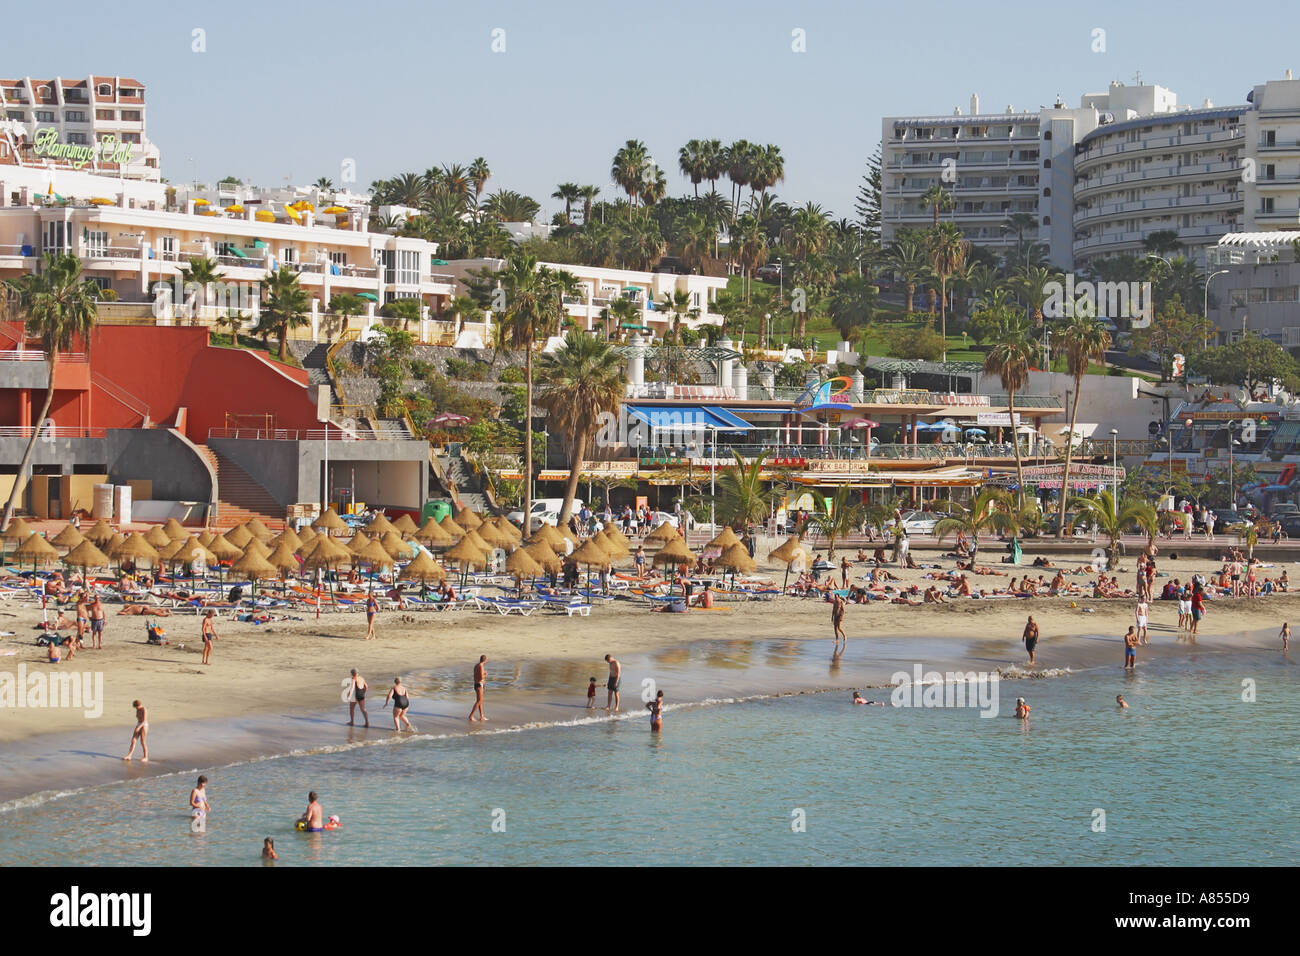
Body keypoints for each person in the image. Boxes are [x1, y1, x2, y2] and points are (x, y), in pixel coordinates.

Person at [468, 655, 487, 722]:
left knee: (480, 701)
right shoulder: (481, 666)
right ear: (485, 660)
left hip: (476, 684)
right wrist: (485, 675)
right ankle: (471, 716)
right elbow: (481, 677)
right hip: (479, 685)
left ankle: (481, 716)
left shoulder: (476, 665)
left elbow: (475, 675)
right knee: (479, 701)